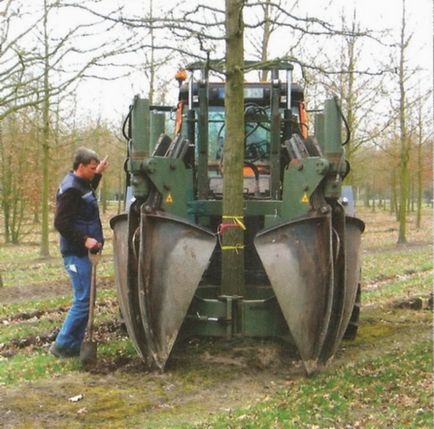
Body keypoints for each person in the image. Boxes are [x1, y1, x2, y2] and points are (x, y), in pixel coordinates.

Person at [50, 147, 108, 358]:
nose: (94, 171)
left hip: (83, 253)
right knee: (83, 300)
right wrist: (85, 240)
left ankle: (73, 344)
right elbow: (61, 223)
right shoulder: (70, 190)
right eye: (92, 168)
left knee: (87, 299)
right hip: (75, 253)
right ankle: (63, 345)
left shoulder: (80, 184)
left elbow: (87, 191)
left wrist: (98, 173)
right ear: (81, 166)